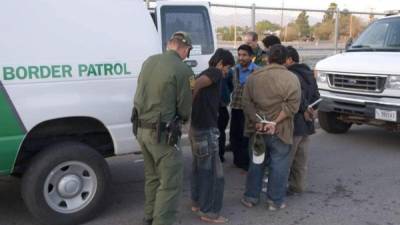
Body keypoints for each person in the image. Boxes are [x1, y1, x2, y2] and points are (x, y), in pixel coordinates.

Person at [133, 31, 193, 225]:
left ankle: (149, 216)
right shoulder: (183, 70)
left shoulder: (149, 61)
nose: (187, 55)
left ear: (170, 44)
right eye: (188, 52)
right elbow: (185, 108)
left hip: (141, 129)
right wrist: (183, 118)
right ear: (183, 48)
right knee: (170, 182)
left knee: (152, 177)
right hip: (162, 135)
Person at [241, 44, 301, 211]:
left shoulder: (254, 76)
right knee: (279, 165)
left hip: (258, 129)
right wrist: (274, 123)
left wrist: (258, 121)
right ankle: (274, 201)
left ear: (268, 57)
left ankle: (251, 197)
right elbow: (292, 106)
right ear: (285, 59)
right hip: (281, 130)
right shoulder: (291, 78)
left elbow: (246, 103)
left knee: (256, 163)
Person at [190, 48, 235, 224]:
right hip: (206, 129)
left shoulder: (204, 71)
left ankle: (196, 202)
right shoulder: (214, 72)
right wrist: (191, 99)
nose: (227, 72)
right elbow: (197, 84)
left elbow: (196, 84)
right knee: (215, 174)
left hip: (197, 127)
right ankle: (209, 212)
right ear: (221, 63)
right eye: (227, 68)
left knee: (198, 169)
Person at [285, 46, 320, 195]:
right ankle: (298, 186)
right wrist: (312, 111)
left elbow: (296, 99)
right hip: (307, 124)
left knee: (286, 159)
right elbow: (317, 96)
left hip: (294, 123)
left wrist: (304, 110)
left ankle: (280, 188)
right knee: (301, 160)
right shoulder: (308, 73)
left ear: (289, 60)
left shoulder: (291, 75)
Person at [229, 44, 259, 171]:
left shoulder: (257, 71)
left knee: (246, 136)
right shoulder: (234, 70)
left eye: (244, 55)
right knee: (234, 135)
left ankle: (246, 162)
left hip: (249, 110)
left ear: (251, 57)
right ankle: (237, 160)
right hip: (235, 108)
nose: (241, 58)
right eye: (239, 55)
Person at [218, 69, 233, 163]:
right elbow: (230, 88)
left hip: (219, 107)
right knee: (220, 132)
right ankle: (220, 155)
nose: (227, 70)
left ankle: (219, 154)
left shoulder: (227, 73)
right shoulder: (225, 74)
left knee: (218, 132)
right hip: (221, 106)